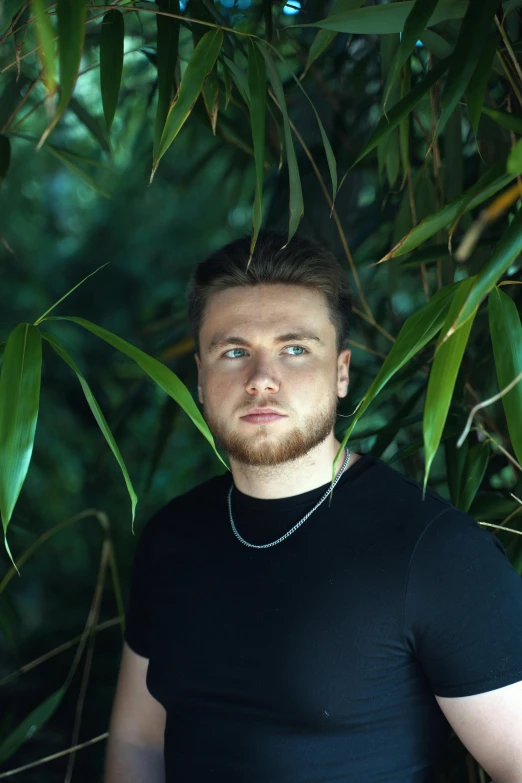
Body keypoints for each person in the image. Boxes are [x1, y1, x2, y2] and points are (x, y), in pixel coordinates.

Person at [104, 230, 522, 783]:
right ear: (201, 380)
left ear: (342, 372)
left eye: (294, 349)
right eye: (234, 352)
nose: (261, 380)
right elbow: (137, 742)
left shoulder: (437, 554)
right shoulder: (171, 538)